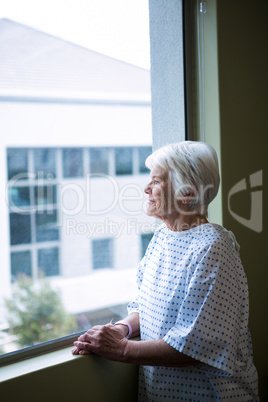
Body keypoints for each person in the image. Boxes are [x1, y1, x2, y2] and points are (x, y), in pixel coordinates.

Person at [72, 141, 259, 401]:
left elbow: (192, 347)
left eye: (157, 182)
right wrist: (123, 329)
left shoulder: (214, 249)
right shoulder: (163, 237)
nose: (146, 188)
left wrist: (121, 349)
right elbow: (146, 306)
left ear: (188, 193)